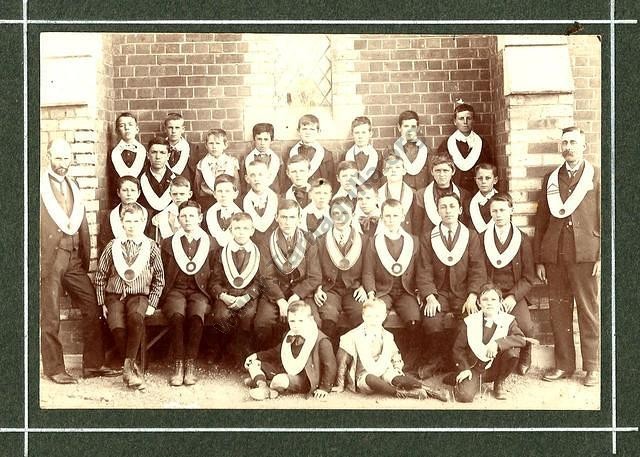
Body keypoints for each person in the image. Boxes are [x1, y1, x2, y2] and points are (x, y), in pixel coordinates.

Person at [40, 139, 118, 384]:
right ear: (48, 156)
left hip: (73, 258)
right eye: (58, 158)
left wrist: (85, 253)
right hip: (50, 258)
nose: (63, 163)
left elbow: (81, 222)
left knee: (92, 307)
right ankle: (54, 369)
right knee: (50, 315)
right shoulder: (37, 187)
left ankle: (93, 366)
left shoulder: (74, 185)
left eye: (66, 158)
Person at [533, 126, 600, 387]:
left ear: (583, 146)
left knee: (588, 310)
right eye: (565, 143)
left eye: (573, 142)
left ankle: (592, 367)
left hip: (584, 254)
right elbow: (540, 221)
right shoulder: (550, 179)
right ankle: (564, 364)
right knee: (559, 311)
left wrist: (601, 255)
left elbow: (607, 215)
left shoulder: (596, 176)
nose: (569, 147)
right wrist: (540, 258)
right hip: (555, 255)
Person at [95, 203, 165, 389]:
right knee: (116, 324)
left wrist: (153, 302)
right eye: (128, 221)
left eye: (136, 221)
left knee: (135, 317)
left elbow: (159, 278)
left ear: (143, 222)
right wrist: (102, 301)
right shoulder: (113, 246)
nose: (132, 225)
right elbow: (101, 275)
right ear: (122, 222)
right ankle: (132, 368)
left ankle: (127, 371)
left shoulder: (150, 246)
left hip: (139, 295)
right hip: (115, 295)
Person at [418, 192, 487, 379]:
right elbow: (424, 269)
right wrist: (430, 296)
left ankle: (458, 363)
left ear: (460, 210)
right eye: (443, 207)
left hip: (463, 293)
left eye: (452, 206)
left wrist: (473, 295)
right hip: (439, 292)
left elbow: (478, 269)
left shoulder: (471, 236)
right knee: (431, 321)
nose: (448, 211)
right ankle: (435, 360)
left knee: (468, 320)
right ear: (437, 211)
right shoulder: (428, 237)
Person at [334, 298, 449, 401]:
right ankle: (402, 393)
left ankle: (429, 390)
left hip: (384, 369)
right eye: (369, 316)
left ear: (384, 317)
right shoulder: (353, 336)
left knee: (397, 378)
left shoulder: (387, 336)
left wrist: (397, 371)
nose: (373, 320)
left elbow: (395, 355)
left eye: (377, 316)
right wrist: (340, 384)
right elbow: (343, 361)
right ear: (363, 316)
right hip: (364, 374)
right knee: (370, 379)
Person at [160, 200, 217, 386]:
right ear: (178, 219)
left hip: (198, 291)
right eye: (183, 216)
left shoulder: (211, 242)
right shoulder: (169, 243)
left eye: (192, 215)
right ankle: (178, 364)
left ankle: (190, 363)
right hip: (176, 289)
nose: (187, 219)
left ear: (200, 218)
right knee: (177, 315)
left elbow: (215, 271)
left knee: (196, 315)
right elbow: (161, 271)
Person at [361, 199, 424, 370]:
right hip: (383, 291)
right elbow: (367, 271)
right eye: (387, 216)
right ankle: (379, 358)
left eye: (395, 215)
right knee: (376, 316)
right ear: (381, 217)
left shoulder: (414, 241)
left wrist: (418, 291)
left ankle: (410, 360)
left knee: (413, 319)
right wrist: (371, 293)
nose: (391, 219)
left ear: (403, 216)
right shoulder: (374, 241)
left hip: (406, 291)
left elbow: (420, 270)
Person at [253, 199, 322, 350]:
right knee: (263, 323)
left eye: (292, 217)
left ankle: (301, 365)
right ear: (276, 217)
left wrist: (296, 296)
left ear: (299, 218)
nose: (288, 222)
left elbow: (315, 276)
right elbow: (266, 276)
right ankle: (267, 361)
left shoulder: (309, 240)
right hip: (274, 293)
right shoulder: (266, 241)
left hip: (301, 294)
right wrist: (280, 300)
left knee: (313, 321)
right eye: (283, 217)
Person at [211, 212, 276, 364]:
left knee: (247, 316)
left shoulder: (259, 252)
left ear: (252, 230)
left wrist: (246, 297)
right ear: (230, 230)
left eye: (245, 228)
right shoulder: (221, 252)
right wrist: (222, 295)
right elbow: (214, 280)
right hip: (227, 294)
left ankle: (241, 351)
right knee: (221, 316)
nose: (241, 232)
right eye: (237, 228)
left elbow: (261, 281)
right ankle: (222, 350)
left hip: (248, 295)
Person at [483, 192, 537, 375]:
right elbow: (479, 271)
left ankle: (525, 353)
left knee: (525, 324)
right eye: (494, 211)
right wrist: (490, 296)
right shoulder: (483, 238)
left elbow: (529, 276)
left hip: (513, 293)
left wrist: (514, 296)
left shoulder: (521, 239)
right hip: (490, 293)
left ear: (511, 210)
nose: (498, 215)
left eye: (502, 210)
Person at [244, 300, 336, 401]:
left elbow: (330, 366)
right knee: (253, 364)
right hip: (285, 369)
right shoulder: (289, 335)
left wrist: (324, 388)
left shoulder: (321, 340)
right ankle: (263, 387)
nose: (296, 325)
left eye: (301, 321)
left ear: (311, 319)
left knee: (279, 380)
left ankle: (259, 381)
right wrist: (256, 355)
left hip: (303, 378)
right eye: (292, 321)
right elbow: (276, 352)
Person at [451, 283, 526, 402]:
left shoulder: (507, 320)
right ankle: (465, 380)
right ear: (479, 303)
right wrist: (464, 368)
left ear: (500, 302)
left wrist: (497, 344)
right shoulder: (471, 321)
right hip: (475, 367)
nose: (489, 303)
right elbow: (458, 348)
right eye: (485, 299)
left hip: (496, 366)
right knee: (464, 396)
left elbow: (521, 339)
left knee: (512, 353)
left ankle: (499, 382)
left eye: (493, 299)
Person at [314, 197, 367, 336]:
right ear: (330, 215)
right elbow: (315, 268)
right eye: (335, 213)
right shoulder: (321, 241)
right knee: (328, 316)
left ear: (353, 215)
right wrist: (318, 288)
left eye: (345, 213)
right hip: (330, 289)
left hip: (354, 289)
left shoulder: (364, 240)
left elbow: (368, 269)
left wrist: (364, 287)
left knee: (362, 315)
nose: (340, 218)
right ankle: (329, 355)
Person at [437, 102, 493, 193]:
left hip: (478, 190)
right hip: (454, 192)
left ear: (473, 121)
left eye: (469, 118)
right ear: (455, 121)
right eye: (461, 118)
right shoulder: (446, 145)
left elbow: (489, 169)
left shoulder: (483, 144)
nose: (465, 122)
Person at [415, 153, 470, 234]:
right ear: (432, 172)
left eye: (445, 170)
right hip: (429, 238)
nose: (441, 175)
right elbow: (418, 224)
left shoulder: (463, 194)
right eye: (437, 171)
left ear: (453, 171)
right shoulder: (421, 195)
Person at [98, 176, 149, 254]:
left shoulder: (147, 214)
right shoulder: (110, 216)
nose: (129, 194)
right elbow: (104, 243)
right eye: (125, 190)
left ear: (138, 193)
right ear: (118, 193)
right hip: (116, 258)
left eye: (133, 190)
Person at [194, 128, 240, 211]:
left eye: (218, 143)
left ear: (225, 145)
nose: (214, 147)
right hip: (207, 200)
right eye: (211, 143)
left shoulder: (232, 162)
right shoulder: (201, 164)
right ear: (206, 145)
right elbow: (197, 186)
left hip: (227, 199)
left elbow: (237, 184)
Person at [288, 114, 337, 189]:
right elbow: (287, 180)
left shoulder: (326, 154)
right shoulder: (292, 152)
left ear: (318, 131)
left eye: (312, 129)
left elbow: (330, 180)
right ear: (298, 131)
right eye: (304, 129)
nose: (308, 132)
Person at [108, 112, 146, 205]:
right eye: (122, 125)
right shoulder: (113, 153)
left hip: (140, 198)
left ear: (137, 129)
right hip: (119, 199)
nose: (127, 128)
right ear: (117, 131)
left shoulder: (144, 152)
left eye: (130, 124)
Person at [377, 154, 417, 234]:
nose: (393, 170)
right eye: (389, 168)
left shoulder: (412, 194)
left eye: (397, 167)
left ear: (403, 171)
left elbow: (416, 220)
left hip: (407, 235)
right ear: (384, 172)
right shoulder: (378, 194)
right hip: (384, 235)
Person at [242, 160, 279, 246]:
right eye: (252, 175)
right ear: (247, 179)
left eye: (260, 174)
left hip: (275, 246)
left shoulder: (278, 200)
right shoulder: (241, 203)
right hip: (252, 246)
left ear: (268, 176)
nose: (257, 178)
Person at [391, 110, 431, 190]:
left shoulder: (425, 150)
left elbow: (431, 177)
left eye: (413, 127)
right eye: (406, 126)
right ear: (399, 127)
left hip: (422, 195)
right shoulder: (391, 150)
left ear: (418, 128)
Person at [138, 136, 175, 221]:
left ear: (168, 156)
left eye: (162, 152)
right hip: (145, 224)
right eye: (154, 152)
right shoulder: (139, 180)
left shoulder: (176, 179)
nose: (158, 156)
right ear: (148, 155)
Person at [243, 122, 284, 194]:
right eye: (259, 139)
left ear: (271, 140)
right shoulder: (248, 158)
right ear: (254, 140)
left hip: (273, 192)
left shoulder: (276, 158)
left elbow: (281, 179)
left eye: (266, 139)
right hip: (253, 193)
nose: (262, 143)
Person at [163, 112, 202, 186]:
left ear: (183, 129)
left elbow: (194, 175)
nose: (173, 131)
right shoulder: (159, 147)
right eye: (170, 127)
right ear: (165, 129)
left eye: (177, 128)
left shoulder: (192, 149)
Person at [343, 116, 383, 187]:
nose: (360, 136)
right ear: (352, 134)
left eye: (363, 132)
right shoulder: (346, 155)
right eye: (357, 133)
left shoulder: (377, 155)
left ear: (370, 134)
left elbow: (381, 179)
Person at [151, 175, 193, 242]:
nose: (178, 197)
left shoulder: (195, 211)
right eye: (175, 194)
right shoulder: (164, 215)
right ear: (170, 195)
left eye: (182, 194)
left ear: (189, 194)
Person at [204, 174, 241, 247]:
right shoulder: (208, 214)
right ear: (214, 194)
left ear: (235, 194)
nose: (223, 195)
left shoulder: (240, 214)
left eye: (227, 191)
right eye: (220, 191)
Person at [468, 163, 499, 234]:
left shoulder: (502, 201)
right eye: (480, 178)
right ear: (475, 180)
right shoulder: (468, 202)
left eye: (487, 178)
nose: (483, 182)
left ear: (495, 180)